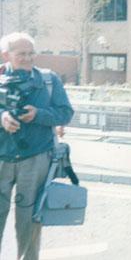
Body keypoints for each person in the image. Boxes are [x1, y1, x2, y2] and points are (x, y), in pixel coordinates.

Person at [0, 32, 74, 260]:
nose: (28, 58)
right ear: (6, 55)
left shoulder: (49, 80)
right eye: (21, 53)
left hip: (35, 160)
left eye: (31, 53)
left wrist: (39, 115)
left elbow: (66, 113)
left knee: (29, 222)